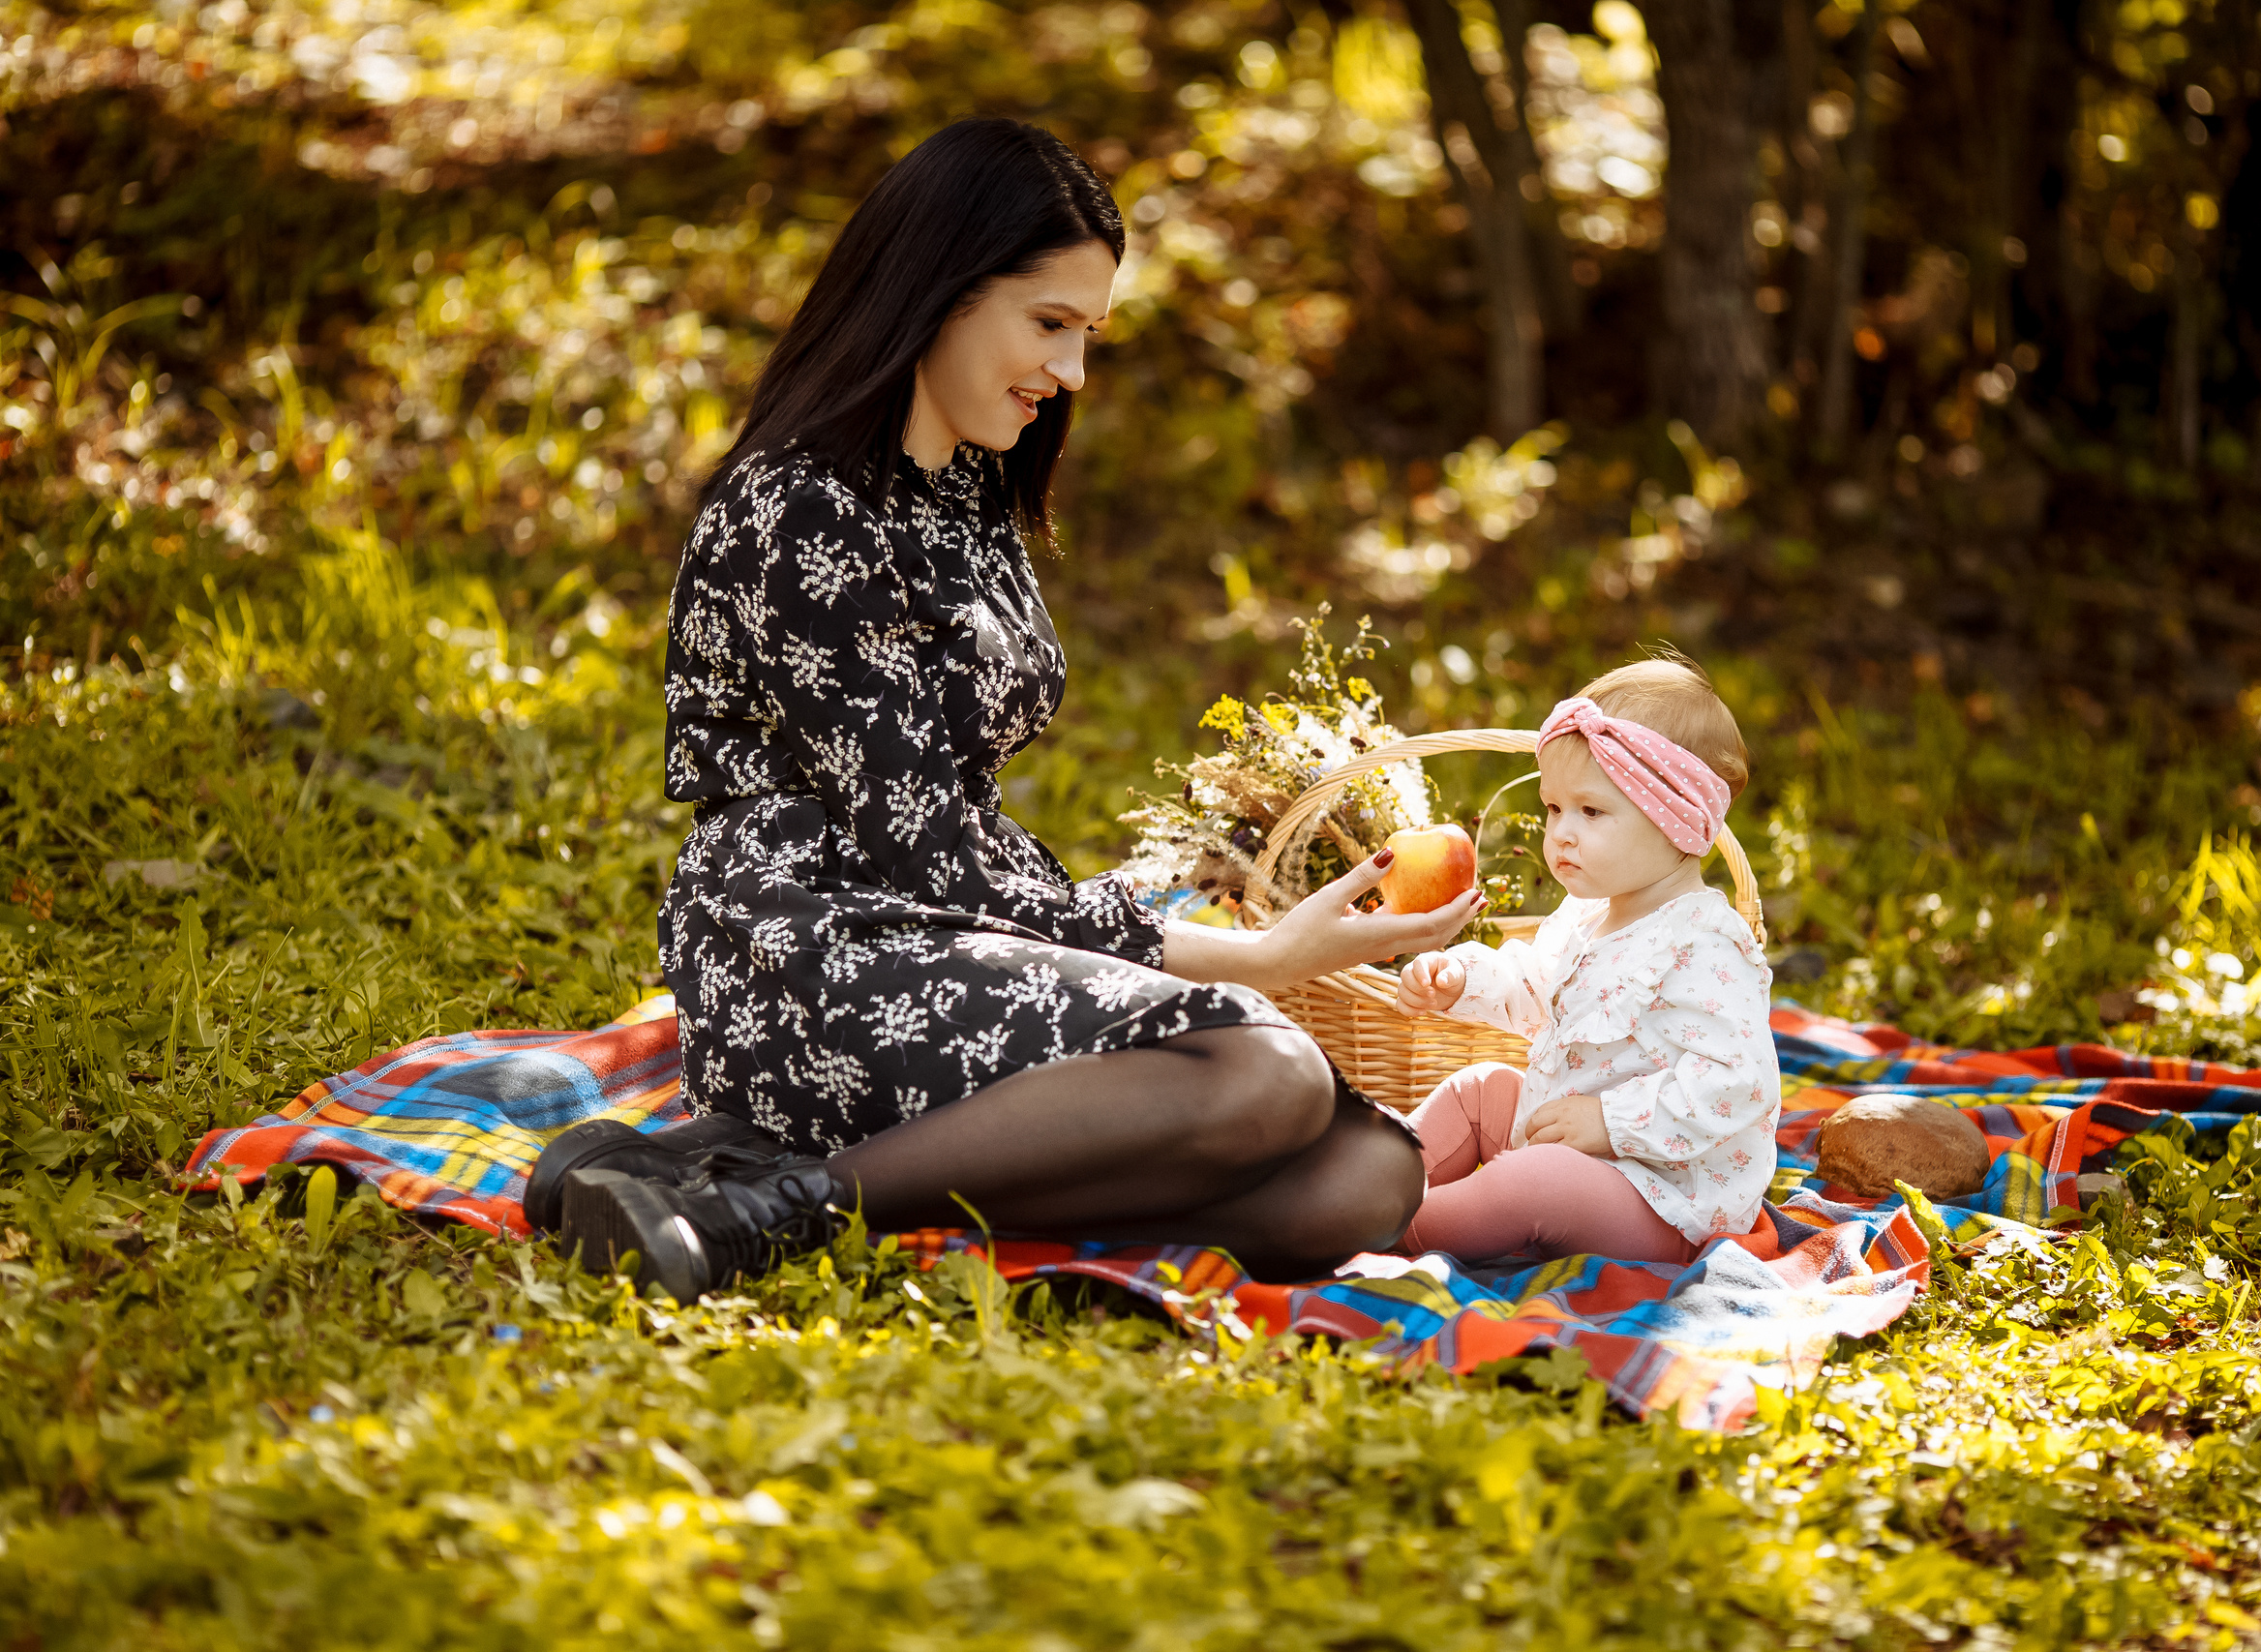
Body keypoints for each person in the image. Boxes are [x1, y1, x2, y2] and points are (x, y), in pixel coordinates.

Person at [533, 119, 1485, 1300]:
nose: (1071, 374)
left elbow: (962, 855)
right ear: (935, 290)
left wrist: (1226, 945)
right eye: (1050, 325)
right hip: (813, 943)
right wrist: (1257, 954)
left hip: (946, 922)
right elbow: (926, 851)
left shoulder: (968, 486)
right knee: (1267, 1077)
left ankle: (731, 1170)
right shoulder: (797, 511)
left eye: (1087, 336)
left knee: (1361, 1183)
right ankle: (765, 1208)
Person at [1390, 658, 1779, 1264]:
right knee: (1481, 1090)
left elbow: (1737, 1080)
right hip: (1571, 1145)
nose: (1561, 833)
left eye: (1591, 812)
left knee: (1536, 1183)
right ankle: (1371, 1171)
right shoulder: (1587, 914)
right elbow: (1538, 984)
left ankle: (1380, 1225)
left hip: (1660, 1194)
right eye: (1553, 809)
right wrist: (1463, 977)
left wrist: (1611, 1120)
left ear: (1674, 819)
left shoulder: (1703, 942)